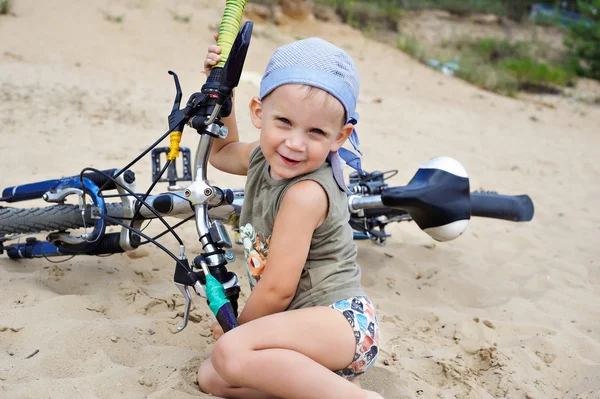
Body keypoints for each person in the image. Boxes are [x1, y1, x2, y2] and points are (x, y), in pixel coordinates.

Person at [197, 35, 383, 399]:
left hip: (341, 324)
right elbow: (220, 152)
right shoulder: (261, 157)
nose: (295, 143)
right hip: (303, 332)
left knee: (230, 353)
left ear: (339, 136)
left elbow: (278, 290)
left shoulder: (305, 193)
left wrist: (240, 332)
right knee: (212, 377)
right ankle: (329, 387)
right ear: (258, 113)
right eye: (284, 121)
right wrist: (223, 89)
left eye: (316, 132)